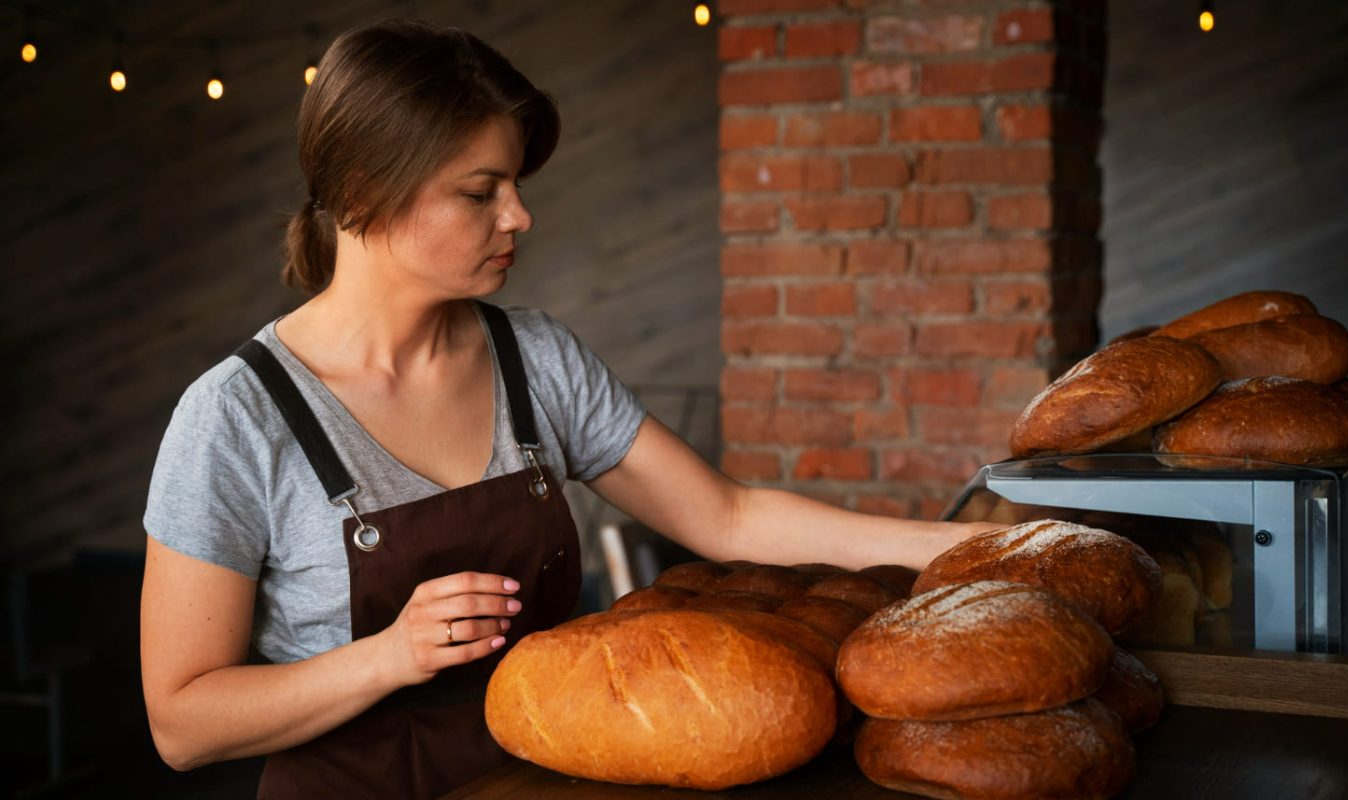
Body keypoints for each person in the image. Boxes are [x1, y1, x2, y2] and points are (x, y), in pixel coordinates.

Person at [139, 18, 994, 800]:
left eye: (515, 183)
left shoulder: (535, 357)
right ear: (363, 192)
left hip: (552, 779)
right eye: (481, 192)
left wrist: (975, 549)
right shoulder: (234, 419)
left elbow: (729, 517)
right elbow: (182, 725)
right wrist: (387, 658)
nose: (520, 214)